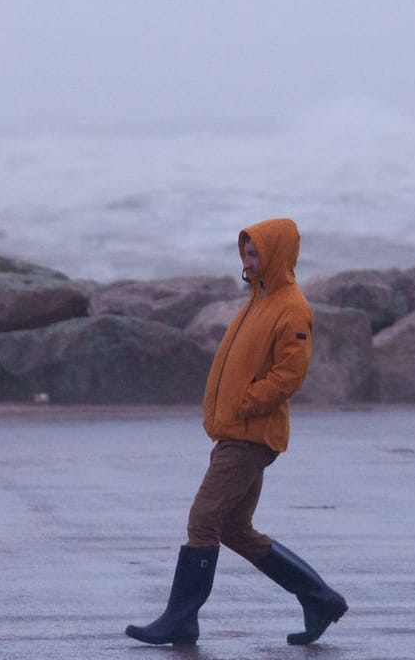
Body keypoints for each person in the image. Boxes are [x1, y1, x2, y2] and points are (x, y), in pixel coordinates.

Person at [125, 217, 347, 647]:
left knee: (203, 519)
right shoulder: (257, 299)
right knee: (233, 528)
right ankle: (320, 598)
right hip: (236, 430)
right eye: (245, 251)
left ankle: (180, 619)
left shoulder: (291, 307)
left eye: (256, 251)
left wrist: (246, 404)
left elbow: (290, 373)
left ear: (277, 254)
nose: (248, 258)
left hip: (250, 434)